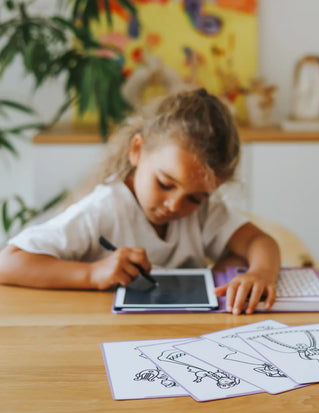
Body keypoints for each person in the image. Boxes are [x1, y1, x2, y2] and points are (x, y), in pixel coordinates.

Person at [0, 89, 281, 315]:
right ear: (137, 151)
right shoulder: (103, 209)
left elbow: (260, 242)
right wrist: (92, 274)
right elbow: (8, 263)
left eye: (195, 198)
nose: (174, 205)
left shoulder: (203, 214)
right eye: (165, 184)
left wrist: (261, 273)